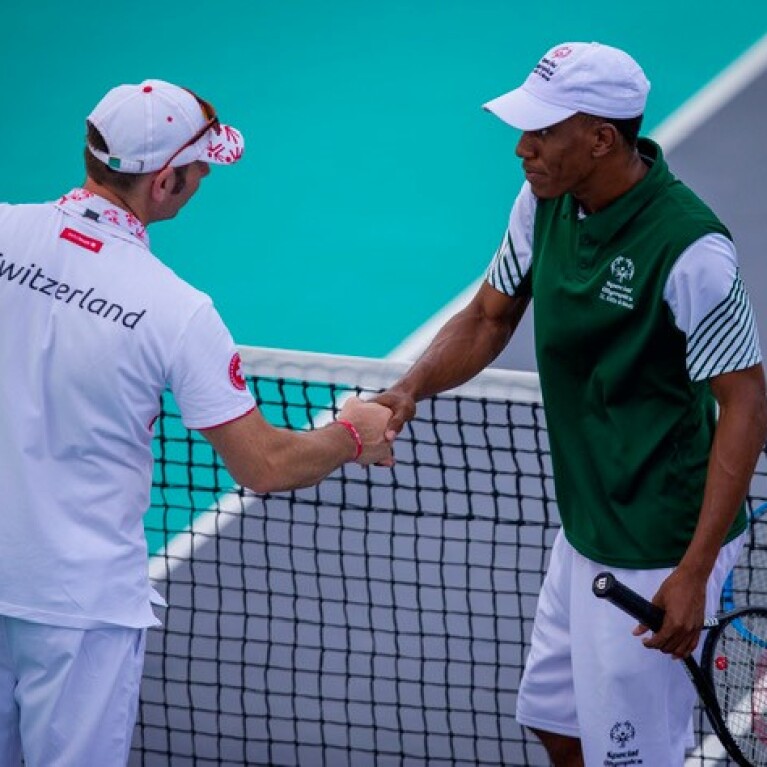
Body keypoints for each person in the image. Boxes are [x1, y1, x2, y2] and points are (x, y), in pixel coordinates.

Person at [376, 42, 767, 765]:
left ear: (600, 139)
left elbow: (744, 402)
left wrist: (693, 569)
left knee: (632, 757)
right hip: (585, 530)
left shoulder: (690, 250)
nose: (523, 148)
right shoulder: (543, 202)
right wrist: (408, 387)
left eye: (544, 132)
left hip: (658, 543)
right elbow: (489, 316)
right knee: (553, 719)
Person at [0, 79, 393, 766]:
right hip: (80, 610)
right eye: (200, 166)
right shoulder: (176, 311)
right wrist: (352, 433)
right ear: (164, 181)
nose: (205, 176)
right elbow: (263, 464)